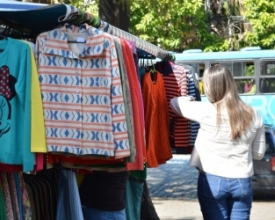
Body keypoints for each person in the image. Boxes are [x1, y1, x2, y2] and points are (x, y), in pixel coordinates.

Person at [170, 65, 265, 220]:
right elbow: (258, 154)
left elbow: (175, 102)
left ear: (210, 88)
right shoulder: (254, 114)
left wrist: (191, 98)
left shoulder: (205, 111)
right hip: (242, 180)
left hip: (212, 180)